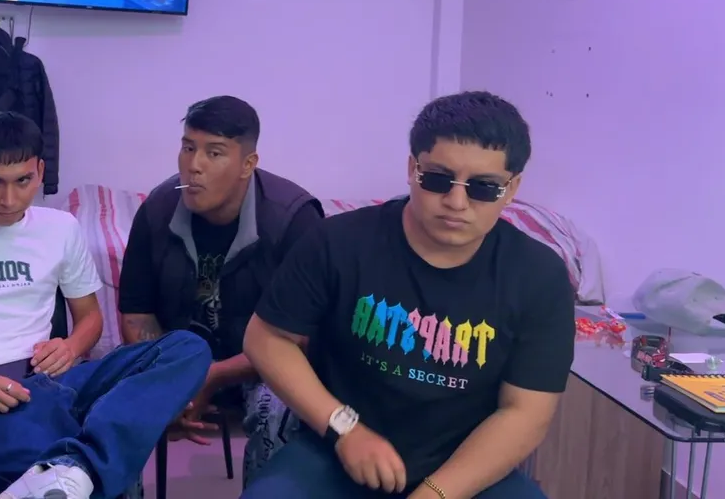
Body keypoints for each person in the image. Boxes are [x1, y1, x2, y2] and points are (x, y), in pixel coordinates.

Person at [241, 91, 575, 499]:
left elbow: (525, 412)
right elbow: (267, 338)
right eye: (437, 179)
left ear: (511, 188)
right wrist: (345, 428)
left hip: (466, 466)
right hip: (336, 449)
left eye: (483, 188)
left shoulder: (539, 276)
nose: (456, 202)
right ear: (412, 168)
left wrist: (437, 492)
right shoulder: (338, 242)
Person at [0, 111, 212, 499]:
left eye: (23, 181)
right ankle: (80, 466)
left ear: (39, 171)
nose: (9, 199)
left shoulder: (60, 227)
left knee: (187, 348)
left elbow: (90, 318)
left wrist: (71, 346)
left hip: (58, 380)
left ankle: (74, 467)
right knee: (64, 469)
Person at [117, 96, 324, 486]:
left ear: (248, 164)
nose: (194, 165)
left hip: (261, 364)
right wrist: (170, 377)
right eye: (188, 147)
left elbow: (300, 335)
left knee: (276, 409)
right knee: (111, 400)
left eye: (214, 153)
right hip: (177, 359)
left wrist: (212, 376)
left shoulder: (293, 219)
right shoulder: (158, 209)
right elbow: (137, 313)